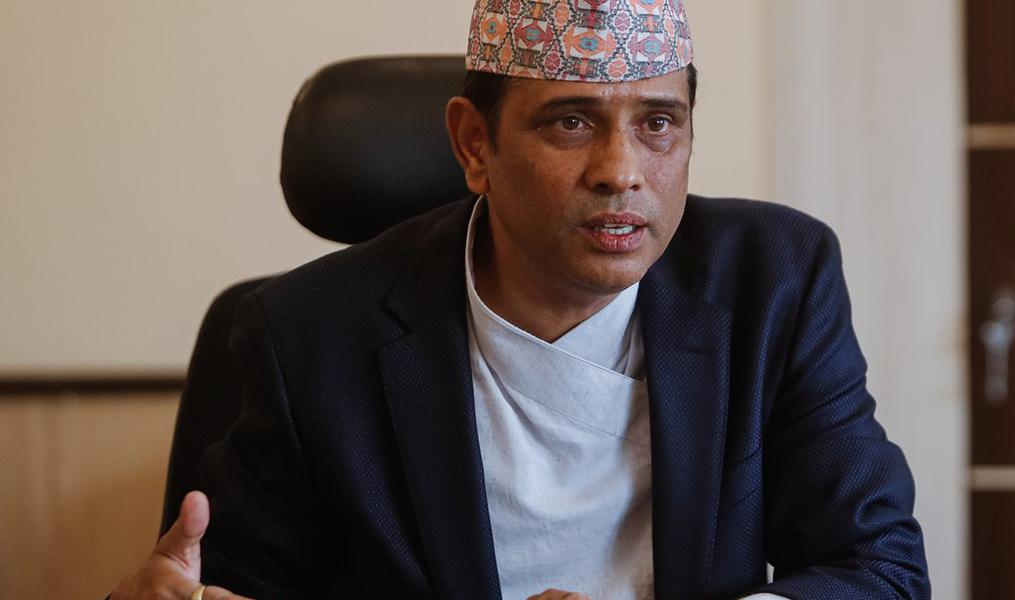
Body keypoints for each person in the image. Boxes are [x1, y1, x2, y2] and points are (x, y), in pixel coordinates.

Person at [111, 1, 928, 598]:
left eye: (658, 123)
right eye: (571, 123)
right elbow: (218, 586)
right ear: (475, 143)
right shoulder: (311, 335)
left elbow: (879, 568)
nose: (621, 172)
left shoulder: (773, 281)